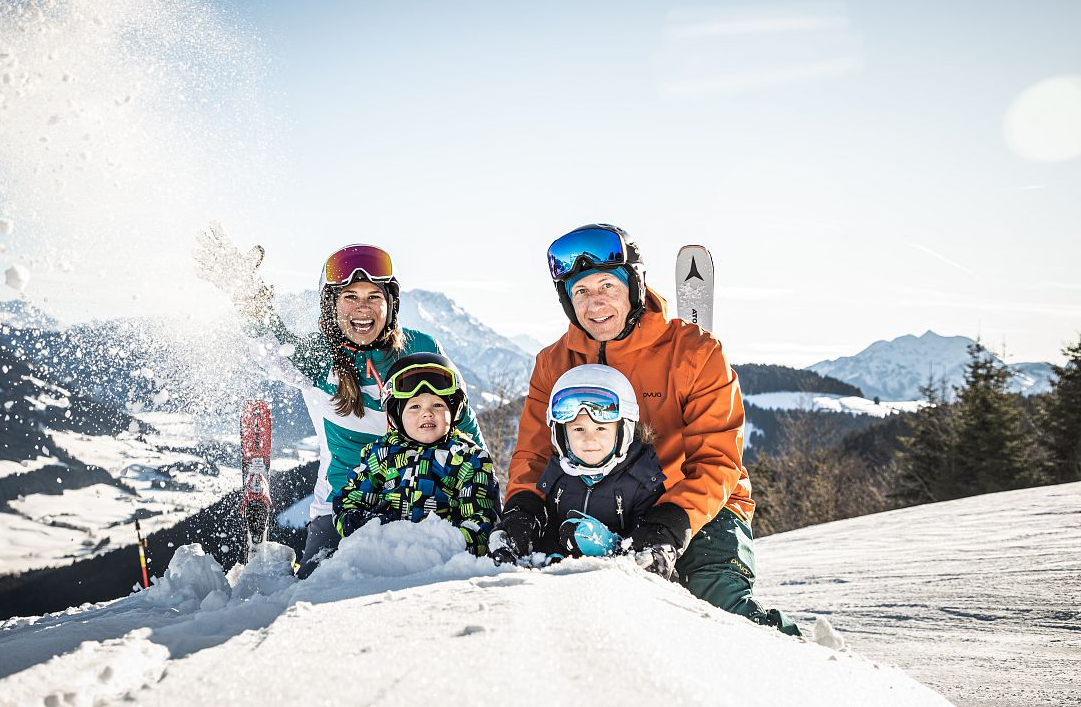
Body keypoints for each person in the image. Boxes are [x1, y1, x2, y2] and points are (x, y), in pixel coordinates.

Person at [494, 223, 800, 636]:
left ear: (634, 286)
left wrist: (670, 522)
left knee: (715, 609)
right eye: (580, 291)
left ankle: (804, 667)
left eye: (607, 286)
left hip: (695, 508)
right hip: (594, 500)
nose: (595, 302)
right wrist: (523, 508)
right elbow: (533, 453)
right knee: (542, 599)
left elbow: (718, 460)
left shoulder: (695, 354)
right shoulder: (553, 363)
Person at [193, 225, 484, 577]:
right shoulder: (319, 358)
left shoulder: (420, 349)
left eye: (373, 296)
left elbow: (464, 426)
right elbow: (273, 347)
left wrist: (484, 500)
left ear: (390, 305)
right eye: (350, 297)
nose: (363, 308)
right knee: (318, 591)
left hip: (426, 502)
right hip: (339, 508)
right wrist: (249, 301)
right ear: (332, 305)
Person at [490, 364, 663, 562]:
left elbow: (646, 544)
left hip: (615, 582)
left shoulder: (642, 482)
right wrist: (548, 552)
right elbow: (551, 528)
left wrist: (608, 545)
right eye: (578, 429)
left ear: (623, 432)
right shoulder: (557, 474)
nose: (589, 439)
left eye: (600, 429)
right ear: (562, 435)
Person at [334, 353, 499, 555]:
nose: (427, 413)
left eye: (438, 405)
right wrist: (363, 524)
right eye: (414, 407)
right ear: (397, 415)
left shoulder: (469, 459)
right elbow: (351, 501)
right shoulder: (380, 454)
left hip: (442, 560)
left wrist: (442, 543)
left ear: (454, 411)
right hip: (383, 555)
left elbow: (480, 523)